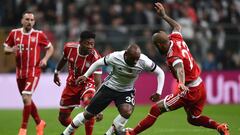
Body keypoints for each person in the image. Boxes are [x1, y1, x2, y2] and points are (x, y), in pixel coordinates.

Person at [124, 2, 229, 135]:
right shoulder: (174, 38)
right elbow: (177, 26)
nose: (156, 49)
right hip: (199, 85)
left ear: (160, 45)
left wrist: (180, 83)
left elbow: (179, 68)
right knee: (193, 118)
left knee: (156, 109)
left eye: (156, 46)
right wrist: (164, 16)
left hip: (188, 89)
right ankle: (220, 127)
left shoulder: (173, 56)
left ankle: (131, 133)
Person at [60, 44, 165, 135]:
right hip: (109, 87)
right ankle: (66, 132)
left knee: (127, 112)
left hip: (126, 91)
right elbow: (98, 63)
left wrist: (158, 92)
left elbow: (160, 72)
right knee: (88, 114)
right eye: (133, 59)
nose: (135, 61)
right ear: (126, 54)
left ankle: (108, 133)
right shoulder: (116, 56)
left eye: (137, 59)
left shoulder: (144, 61)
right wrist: (86, 75)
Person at [3, 11, 54, 135]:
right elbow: (5, 49)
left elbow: (50, 48)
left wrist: (45, 59)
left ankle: (23, 129)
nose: (29, 22)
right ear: (22, 20)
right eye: (27, 19)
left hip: (33, 71)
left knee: (26, 97)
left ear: (34, 22)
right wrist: (11, 49)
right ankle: (39, 122)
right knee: (27, 99)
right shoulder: (14, 33)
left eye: (31, 20)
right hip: (20, 73)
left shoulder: (39, 35)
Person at [54, 31, 103, 135]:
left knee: (89, 104)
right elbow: (63, 59)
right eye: (87, 43)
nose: (90, 46)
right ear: (80, 42)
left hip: (88, 83)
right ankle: (71, 132)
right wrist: (56, 72)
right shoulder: (69, 48)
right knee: (62, 118)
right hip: (72, 84)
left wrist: (98, 106)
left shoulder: (96, 57)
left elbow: (98, 82)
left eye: (92, 44)